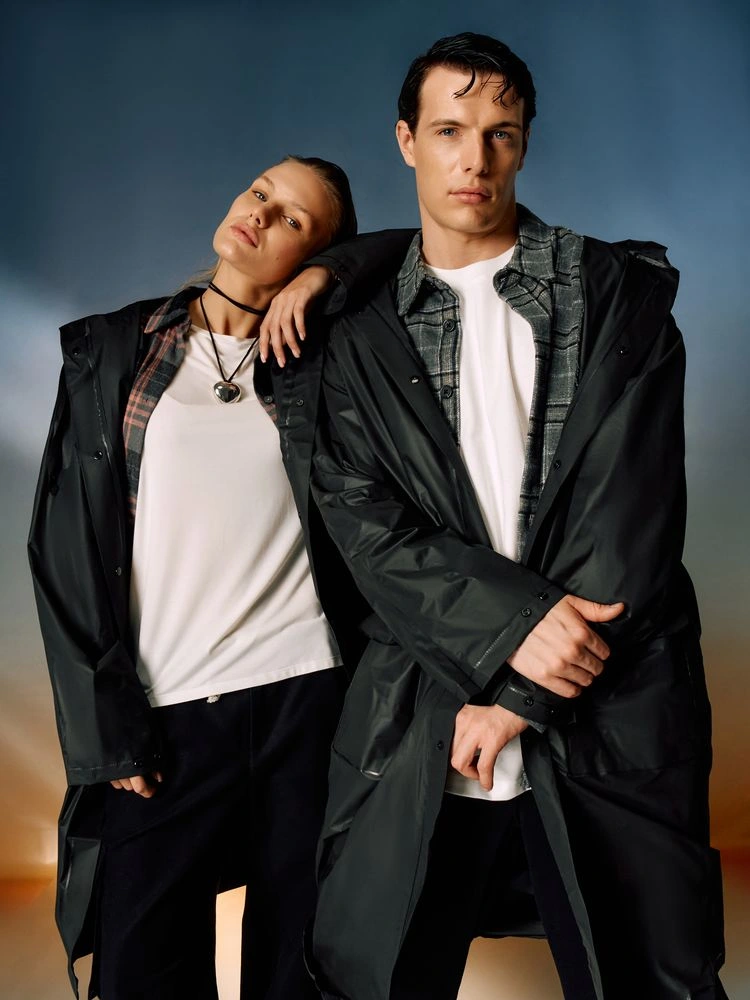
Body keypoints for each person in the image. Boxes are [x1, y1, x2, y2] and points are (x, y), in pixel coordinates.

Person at [269, 32, 728, 1000]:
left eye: (499, 133)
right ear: (406, 141)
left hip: (607, 709)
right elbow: (366, 525)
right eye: (449, 131)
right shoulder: (359, 333)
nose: (473, 159)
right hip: (424, 714)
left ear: (524, 144)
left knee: (646, 972)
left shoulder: (615, 295)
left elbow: (631, 513)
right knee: (376, 970)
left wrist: (523, 696)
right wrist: (513, 634)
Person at [27, 154, 409, 1000]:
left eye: (295, 220)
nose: (260, 215)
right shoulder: (116, 350)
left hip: (309, 702)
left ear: (316, 254)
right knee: (141, 971)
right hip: (168, 715)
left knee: (299, 971)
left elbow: (418, 250)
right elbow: (62, 551)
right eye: (261, 192)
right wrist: (103, 728)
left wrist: (328, 280)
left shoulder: (328, 360)